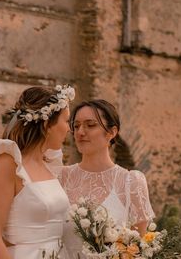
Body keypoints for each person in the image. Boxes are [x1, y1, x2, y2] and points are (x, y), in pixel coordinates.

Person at [0, 85, 74, 259]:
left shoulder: (48, 164)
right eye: (66, 121)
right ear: (47, 125)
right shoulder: (6, 164)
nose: (69, 128)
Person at [54, 99, 155, 258]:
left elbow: (138, 251)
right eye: (76, 126)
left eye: (90, 125)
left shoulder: (131, 182)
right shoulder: (60, 177)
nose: (80, 132)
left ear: (111, 132)